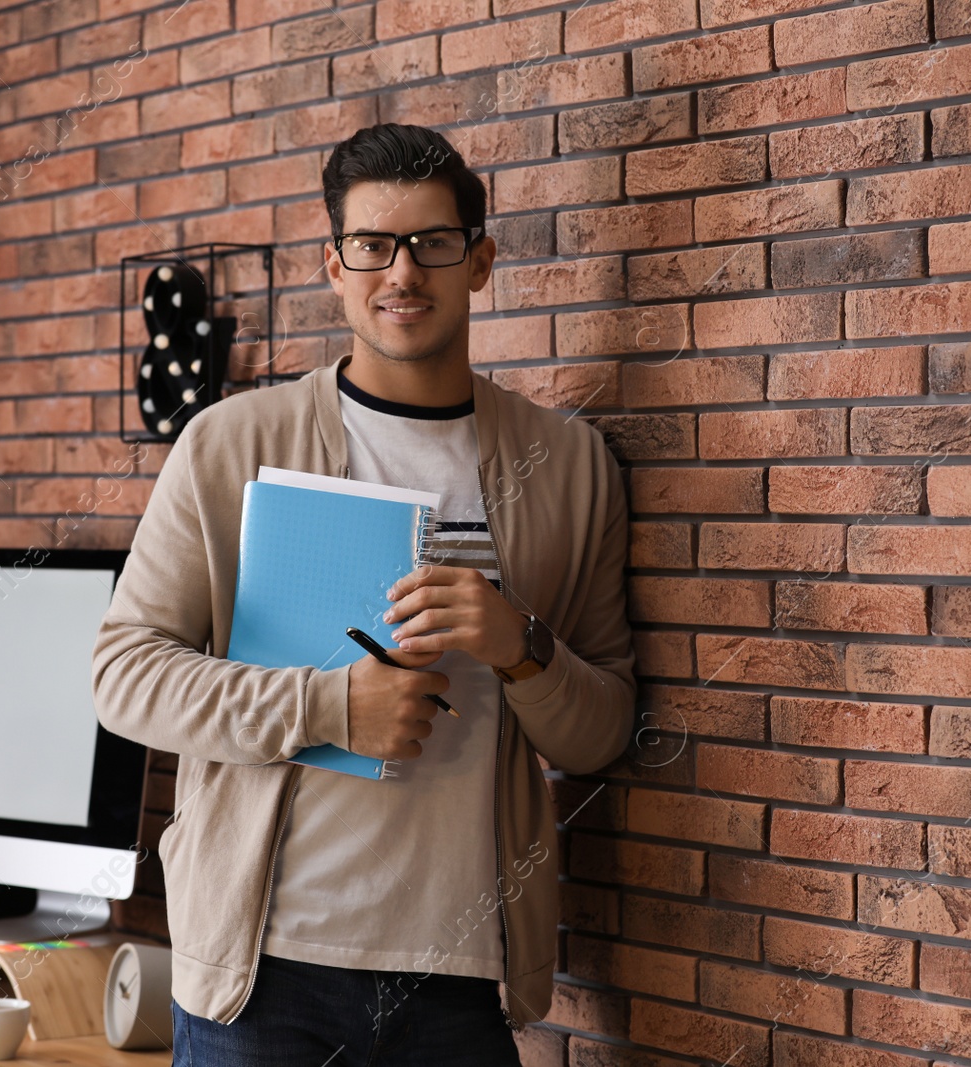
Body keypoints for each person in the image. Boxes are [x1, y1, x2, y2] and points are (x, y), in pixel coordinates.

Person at [91, 121, 636, 1067]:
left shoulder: (568, 464)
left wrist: (521, 647)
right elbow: (125, 676)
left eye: (433, 243)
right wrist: (331, 704)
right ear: (334, 265)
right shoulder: (231, 445)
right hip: (261, 978)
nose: (403, 273)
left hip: (462, 982)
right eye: (373, 245)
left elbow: (601, 731)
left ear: (480, 262)